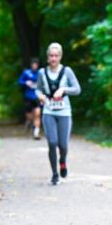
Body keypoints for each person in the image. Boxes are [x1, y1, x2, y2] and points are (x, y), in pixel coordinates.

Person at [36, 43, 81, 185]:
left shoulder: (67, 71)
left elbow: (77, 89)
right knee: (52, 142)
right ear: (47, 57)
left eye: (56, 56)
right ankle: (55, 174)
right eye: (51, 55)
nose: (53, 58)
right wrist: (40, 96)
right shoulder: (42, 72)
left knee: (63, 145)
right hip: (49, 111)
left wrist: (64, 90)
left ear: (60, 57)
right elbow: (37, 89)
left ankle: (62, 161)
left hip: (64, 112)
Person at [18, 58, 42, 139]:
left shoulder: (40, 73)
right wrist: (26, 82)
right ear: (31, 65)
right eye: (33, 64)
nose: (34, 66)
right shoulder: (26, 73)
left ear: (38, 65)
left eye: (36, 64)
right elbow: (19, 81)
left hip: (37, 96)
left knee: (38, 114)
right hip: (28, 96)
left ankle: (36, 133)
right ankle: (31, 124)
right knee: (29, 116)